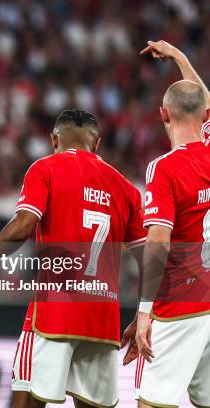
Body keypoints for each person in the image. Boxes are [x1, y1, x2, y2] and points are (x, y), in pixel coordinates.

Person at [0, 109, 146, 408]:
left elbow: (23, 225)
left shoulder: (45, 168)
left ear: (53, 139)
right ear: (96, 143)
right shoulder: (126, 188)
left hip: (53, 313)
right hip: (103, 318)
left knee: (27, 398)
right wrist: (142, 316)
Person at [123, 40, 210, 408]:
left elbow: (158, 242)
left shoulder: (165, 168)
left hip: (183, 303)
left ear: (163, 115)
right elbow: (201, 97)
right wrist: (180, 58)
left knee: (153, 403)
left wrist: (144, 310)